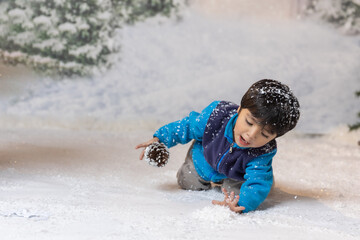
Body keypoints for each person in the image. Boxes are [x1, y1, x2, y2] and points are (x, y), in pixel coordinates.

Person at [135, 79, 300, 213]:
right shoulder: (216, 116)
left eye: (265, 134)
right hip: (205, 159)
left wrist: (243, 204)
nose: (251, 134)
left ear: (275, 137)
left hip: (237, 175)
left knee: (238, 195)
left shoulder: (262, 152)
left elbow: (257, 182)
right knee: (188, 182)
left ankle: (251, 184)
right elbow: (187, 126)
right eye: (249, 122)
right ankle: (200, 174)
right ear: (240, 109)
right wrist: (160, 138)